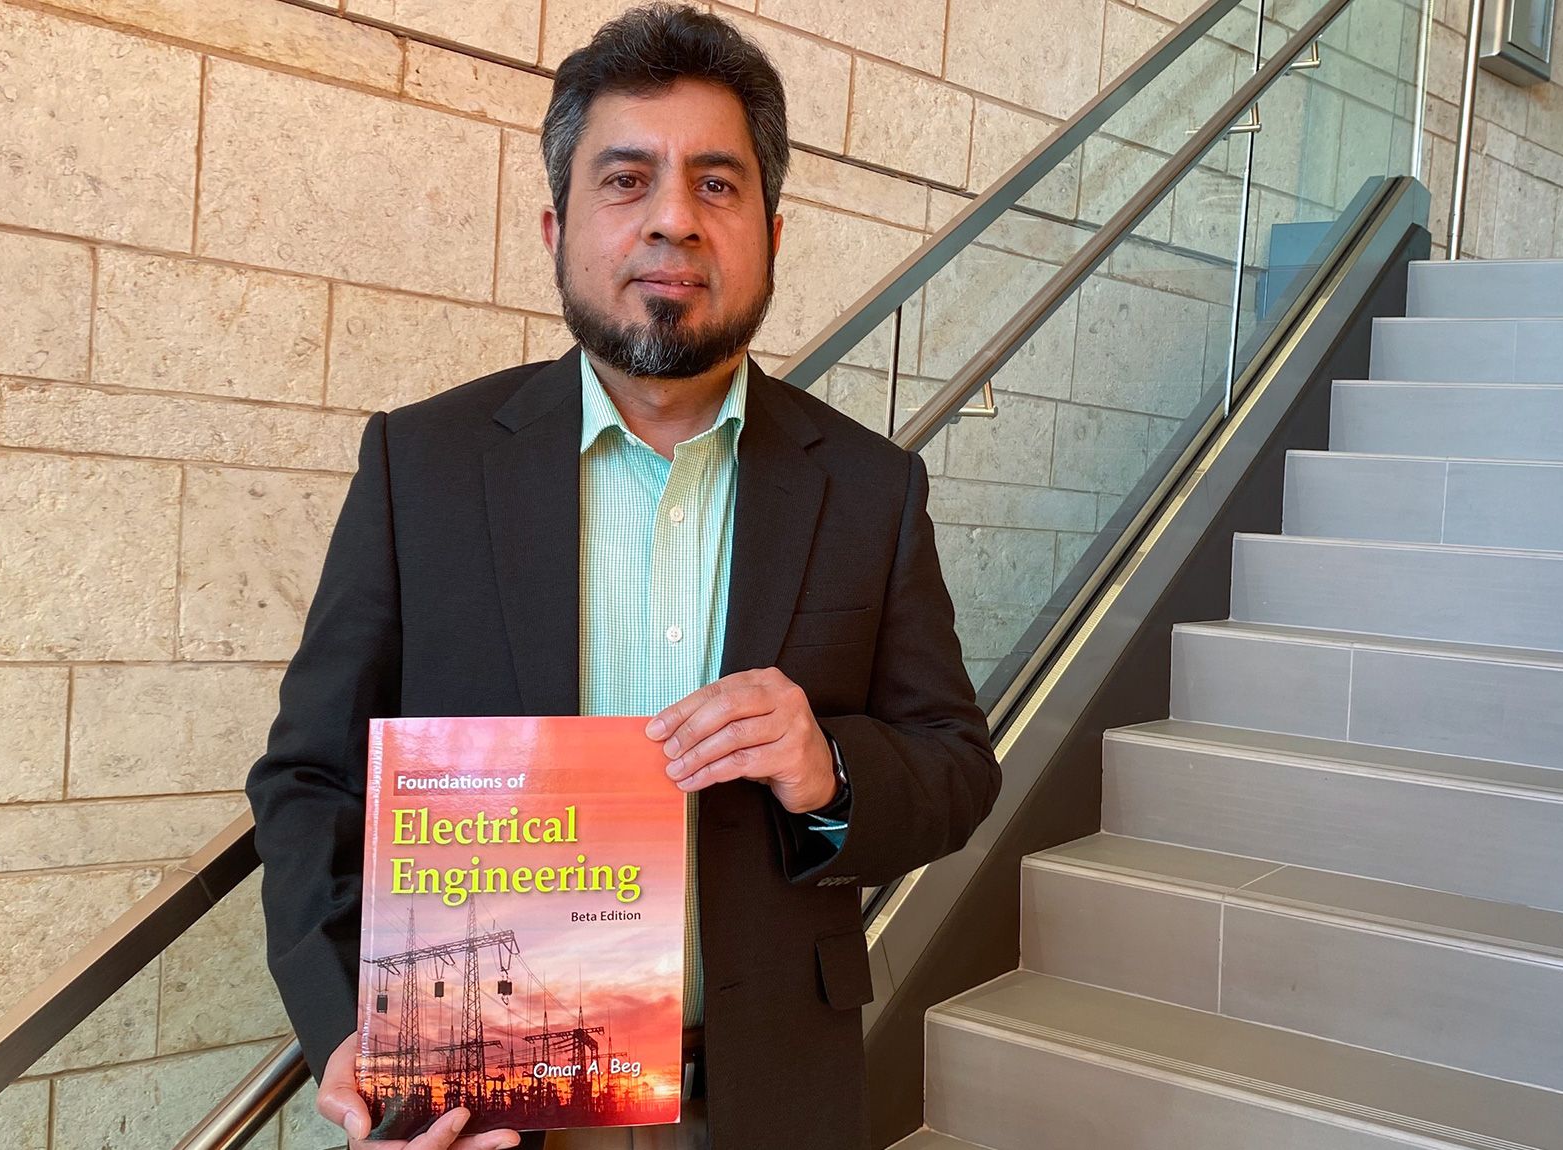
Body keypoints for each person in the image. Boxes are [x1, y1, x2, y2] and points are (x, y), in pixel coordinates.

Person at [243, 5, 1001, 1149]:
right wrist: (337, 1014)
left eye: (715, 184)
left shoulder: (868, 485)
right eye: (625, 180)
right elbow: (308, 776)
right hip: (493, 1103)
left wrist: (829, 767)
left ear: (773, 231)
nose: (671, 221)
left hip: (765, 1101)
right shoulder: (424, 465)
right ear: (555, 226)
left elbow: (955, 768)